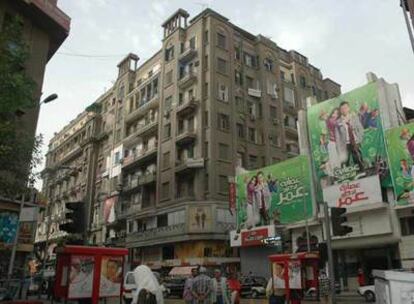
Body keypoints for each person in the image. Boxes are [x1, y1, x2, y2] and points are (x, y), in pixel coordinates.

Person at [336, 101, 365, 171]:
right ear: (340, 111)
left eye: (345, 108)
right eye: (342, 109)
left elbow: (360, 129)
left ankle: (361, 173)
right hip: (345, 144)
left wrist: (359, 140)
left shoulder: (354, 117)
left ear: (348, 108)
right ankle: (348, 178)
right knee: (345, 162)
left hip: (355, 142)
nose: (344, 110)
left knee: (358, 159)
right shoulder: (338, 122)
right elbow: (337, 136)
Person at [325, 108, 341, 176]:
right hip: (332, 143)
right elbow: (334, 123)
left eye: (337, 114)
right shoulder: (330, 120)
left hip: (337, 143)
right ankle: (333, 173)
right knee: (334, 159)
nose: (335, 115)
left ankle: (337, 173)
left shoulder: (337, 121)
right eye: (334, 113)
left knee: (337, 160)